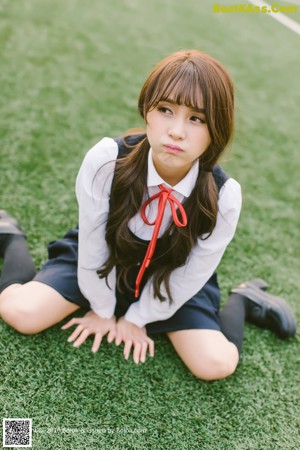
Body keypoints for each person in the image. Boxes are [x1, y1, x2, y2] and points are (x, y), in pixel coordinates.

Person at [0, 50, 296, 381]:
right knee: (20, 312)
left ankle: (243, 298)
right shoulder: (107, 159)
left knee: (216, 365)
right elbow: (93, 241)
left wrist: (138, 318)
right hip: (104, 261)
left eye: (196, 119)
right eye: (166, 110)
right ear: (147, 112)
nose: (176, 131)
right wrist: (101, 308)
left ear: (217, 127)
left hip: (172, 278)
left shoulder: (225, 194)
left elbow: (191, 273)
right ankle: (11, 235)